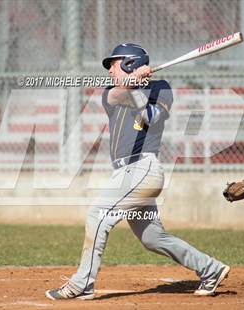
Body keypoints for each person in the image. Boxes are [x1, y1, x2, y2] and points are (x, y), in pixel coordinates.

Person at [45, 43, 230, 300]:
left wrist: (137, 87)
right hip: (124, 173)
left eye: (114, 64)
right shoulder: (112, 91)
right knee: (153, 237)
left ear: (131, 63)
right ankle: (211, 268)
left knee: (98, 217)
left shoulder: (160, 88)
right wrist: (132, 83)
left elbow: (150, 118)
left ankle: (82, 283)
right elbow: (117, 96)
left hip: (143, 169)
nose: (109, 70)